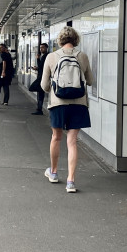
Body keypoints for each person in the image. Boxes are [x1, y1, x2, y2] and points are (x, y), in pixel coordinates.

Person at [41, 26, 94, 193]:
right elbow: (90, 81)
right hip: (78, 104)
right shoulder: (83, 57)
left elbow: (44, 86)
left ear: (60, 40)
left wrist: (54, 88)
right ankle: (71, 181)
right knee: (72, 141)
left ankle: (54, 173)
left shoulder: (51, 57)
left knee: (56, 137)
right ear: (76, 40)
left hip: (58, 103)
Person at [31, 42, 49, 115]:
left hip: (42, 77)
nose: (41, 49)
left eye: (43, 47)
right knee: (40, 92)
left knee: (39, 92)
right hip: (42, 76)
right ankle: (39, 108)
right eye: (40, 47)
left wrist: (38, 59)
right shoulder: (45, 56)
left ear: (46, 48)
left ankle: (39, 109)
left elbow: (41, 66)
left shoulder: (45, 56)